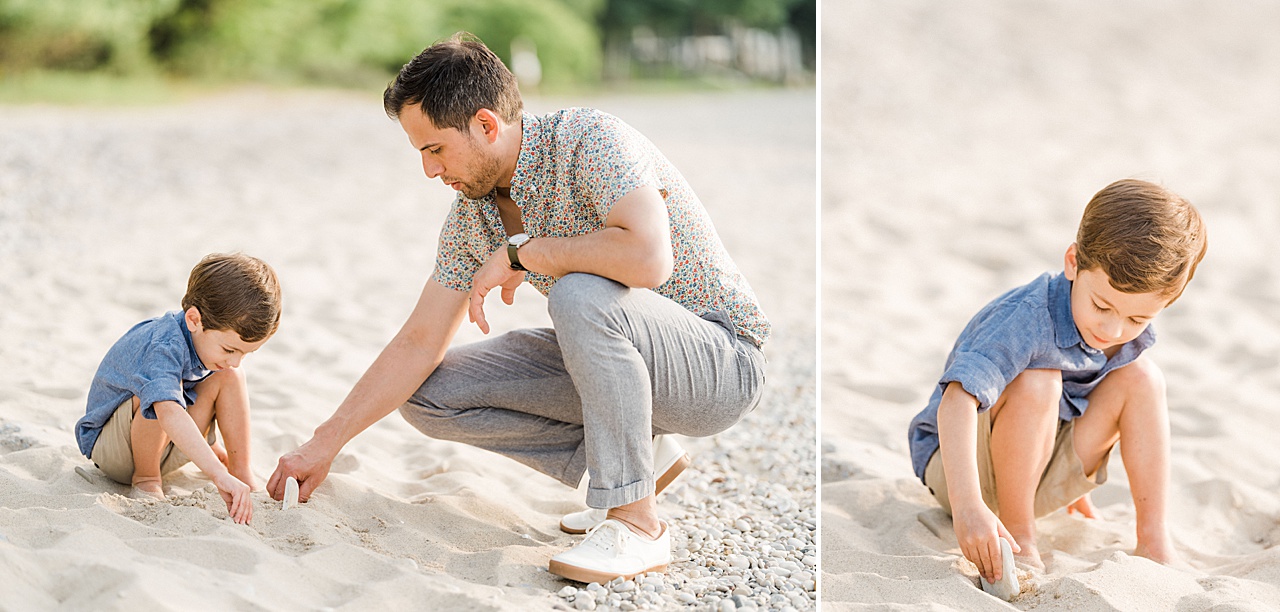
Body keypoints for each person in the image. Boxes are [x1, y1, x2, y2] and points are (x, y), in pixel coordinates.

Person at [266, 33, 769, 583]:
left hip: (720, 361)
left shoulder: (587, 140)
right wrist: (324, 443)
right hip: (626, 360)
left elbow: (649, 258)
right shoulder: (472, 214)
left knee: (578, 291)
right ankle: (633, 458)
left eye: (434, 149)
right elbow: (418, 341)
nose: (430, 171)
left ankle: (636, 521)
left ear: (485, 125)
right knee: (428, 393)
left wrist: (525, 254)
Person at [907, 179, 1207, 584]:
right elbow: (956, 401)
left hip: (1033, 477)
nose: (1113, 328)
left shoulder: (1118, 331)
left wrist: (1073, 485)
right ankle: (1021, 534)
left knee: (1142, 377)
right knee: (1039, 378)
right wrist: (967, 507)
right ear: (1073, 262)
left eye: (1138, 319)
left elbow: (1080, 393)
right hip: (961, 472)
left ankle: (1153, 538)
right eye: (1102, 305)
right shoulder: (1025, 318)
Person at [75, 253, 282, 525]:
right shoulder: (163, 345)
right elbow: (170, 412)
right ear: (194, 320)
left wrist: (213, 449)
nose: (235, 359)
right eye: (230, 349)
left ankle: (240, 471)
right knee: (156, 394)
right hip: (115, 451)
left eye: (246, 353)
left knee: (230, 375)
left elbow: (196, 385)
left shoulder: (207, 341)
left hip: (164, 445)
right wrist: (216, 477)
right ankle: (146, 479)